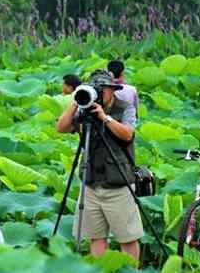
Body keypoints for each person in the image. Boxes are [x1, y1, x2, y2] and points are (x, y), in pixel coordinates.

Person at [56, 69, 143, 260]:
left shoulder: (125, 107)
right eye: (97, 88)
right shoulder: (85, 108)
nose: (100, 92)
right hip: (91, 182)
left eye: (104, 88)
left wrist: (105, 117)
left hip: (118, 182)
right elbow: (61, 127)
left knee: (127, 238)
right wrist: (77, 100)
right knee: (96, 237)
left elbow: (128, 134)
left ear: (113, 90)